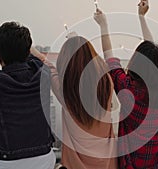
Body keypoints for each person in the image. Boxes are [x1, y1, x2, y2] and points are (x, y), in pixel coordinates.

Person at [94, 1, 158, 168]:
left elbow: (109, 57)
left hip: (134, 161)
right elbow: (153, 56)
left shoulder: (127, 88)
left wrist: (103, 25)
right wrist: (142, 18)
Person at [0, 22, 55, 169]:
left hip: (8, 163)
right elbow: (38, 59)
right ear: (27, 51)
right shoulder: (43, 74)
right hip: (44, 158)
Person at [30, 34, 118, 169]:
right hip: (108, 164)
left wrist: (28, 46)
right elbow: (104, 61)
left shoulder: (65, 92)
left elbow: (45, 63)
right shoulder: (106, 83)